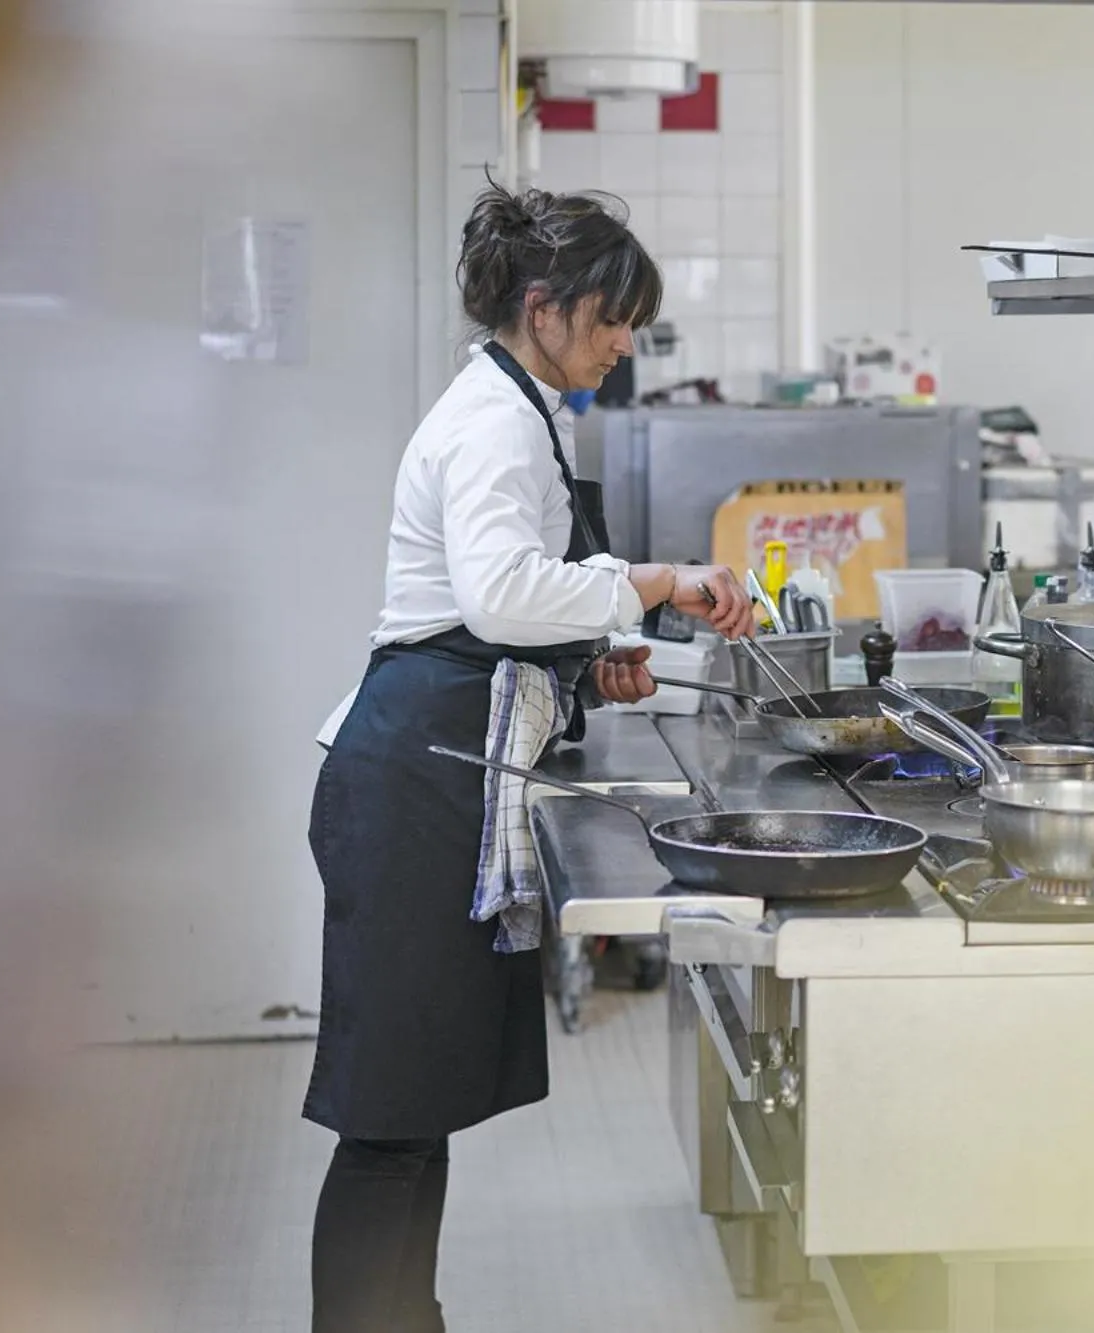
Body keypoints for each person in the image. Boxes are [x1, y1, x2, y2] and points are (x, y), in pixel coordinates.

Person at [305, 182, 755, 1332]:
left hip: (441, 752)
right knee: (389, 1118)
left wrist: (595, 648)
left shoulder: (523, 407)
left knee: (417, 1108)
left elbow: (511, 600)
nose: (622, 345)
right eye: (611, 320)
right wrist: (653, 584)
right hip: (414, 773)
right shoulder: (495, 421)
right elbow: (499, 595)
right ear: (545, 307)